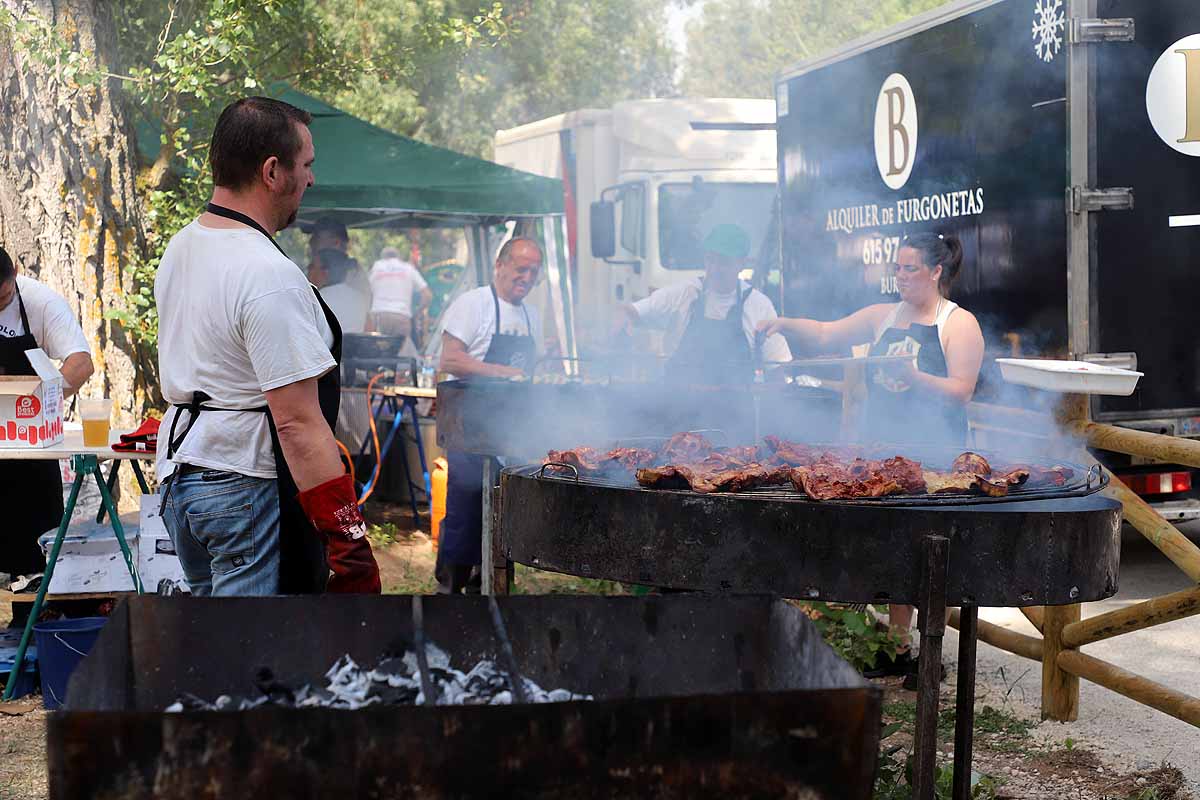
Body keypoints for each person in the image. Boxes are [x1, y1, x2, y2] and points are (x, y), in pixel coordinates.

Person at [154, 96, 380, 597]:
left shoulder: (182, 245)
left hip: (181, 477)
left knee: (213, 643)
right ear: (273, 171)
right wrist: (350, 539)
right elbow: (297, 423)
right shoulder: (268, 273)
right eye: (307, 165)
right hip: (241, 486)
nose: (312, 179)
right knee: (248, 656)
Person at [758, 232, 984, 684]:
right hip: (884, 452)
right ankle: (898, 648)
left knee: (931, 553)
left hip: (934, 456)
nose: (899, 277)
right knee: (896, 548)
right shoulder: (885, 317)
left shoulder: (958, 324)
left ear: (936, 271)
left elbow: (962, 390)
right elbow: (826, 333)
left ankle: (930, 655)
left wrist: (914, 377)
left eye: (909, 269)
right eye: (896, 269)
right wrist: (783, 323)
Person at [436, 237, 543, 593]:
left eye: (533, 271)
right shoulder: (474, 304)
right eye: (520, 268)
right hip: (469, 421)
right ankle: (451, 586)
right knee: (466, 502)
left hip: (510, 426)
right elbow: (449, 359)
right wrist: (502, 373)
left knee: (503, 504)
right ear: (500, 265)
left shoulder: (532, 315)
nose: (526, 277)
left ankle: (491, 581)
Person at [0, 245, 94, 603]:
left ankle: (32, 643)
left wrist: (45, 399)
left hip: (29, 445)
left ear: (16, 274)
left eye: (4, 296)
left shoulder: (42, 302)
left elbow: (81, 363)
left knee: (35, 566)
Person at [613, 223, 792, 383]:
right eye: (710, 259)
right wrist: (619, 331)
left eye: (723, 262)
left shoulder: (759, 306)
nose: (714, 269)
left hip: (736, 412)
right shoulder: (684, 294)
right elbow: (628, 311)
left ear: (741, 264)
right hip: (678, 404)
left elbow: (777, 369)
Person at [368, 246, 432, 342]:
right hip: (401, 316)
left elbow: (367, 293)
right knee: (400, 353)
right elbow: (427, 295)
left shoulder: (376, 267)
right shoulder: (408, 268)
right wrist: (416, 313)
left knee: (376, 351)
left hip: (378, 316)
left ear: (383, 258)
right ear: (398, 257)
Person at [313, 248, 370, 334]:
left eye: (311, 267)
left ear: (325, 272)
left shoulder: (317, 298)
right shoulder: (361, 298)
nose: (308, 271)